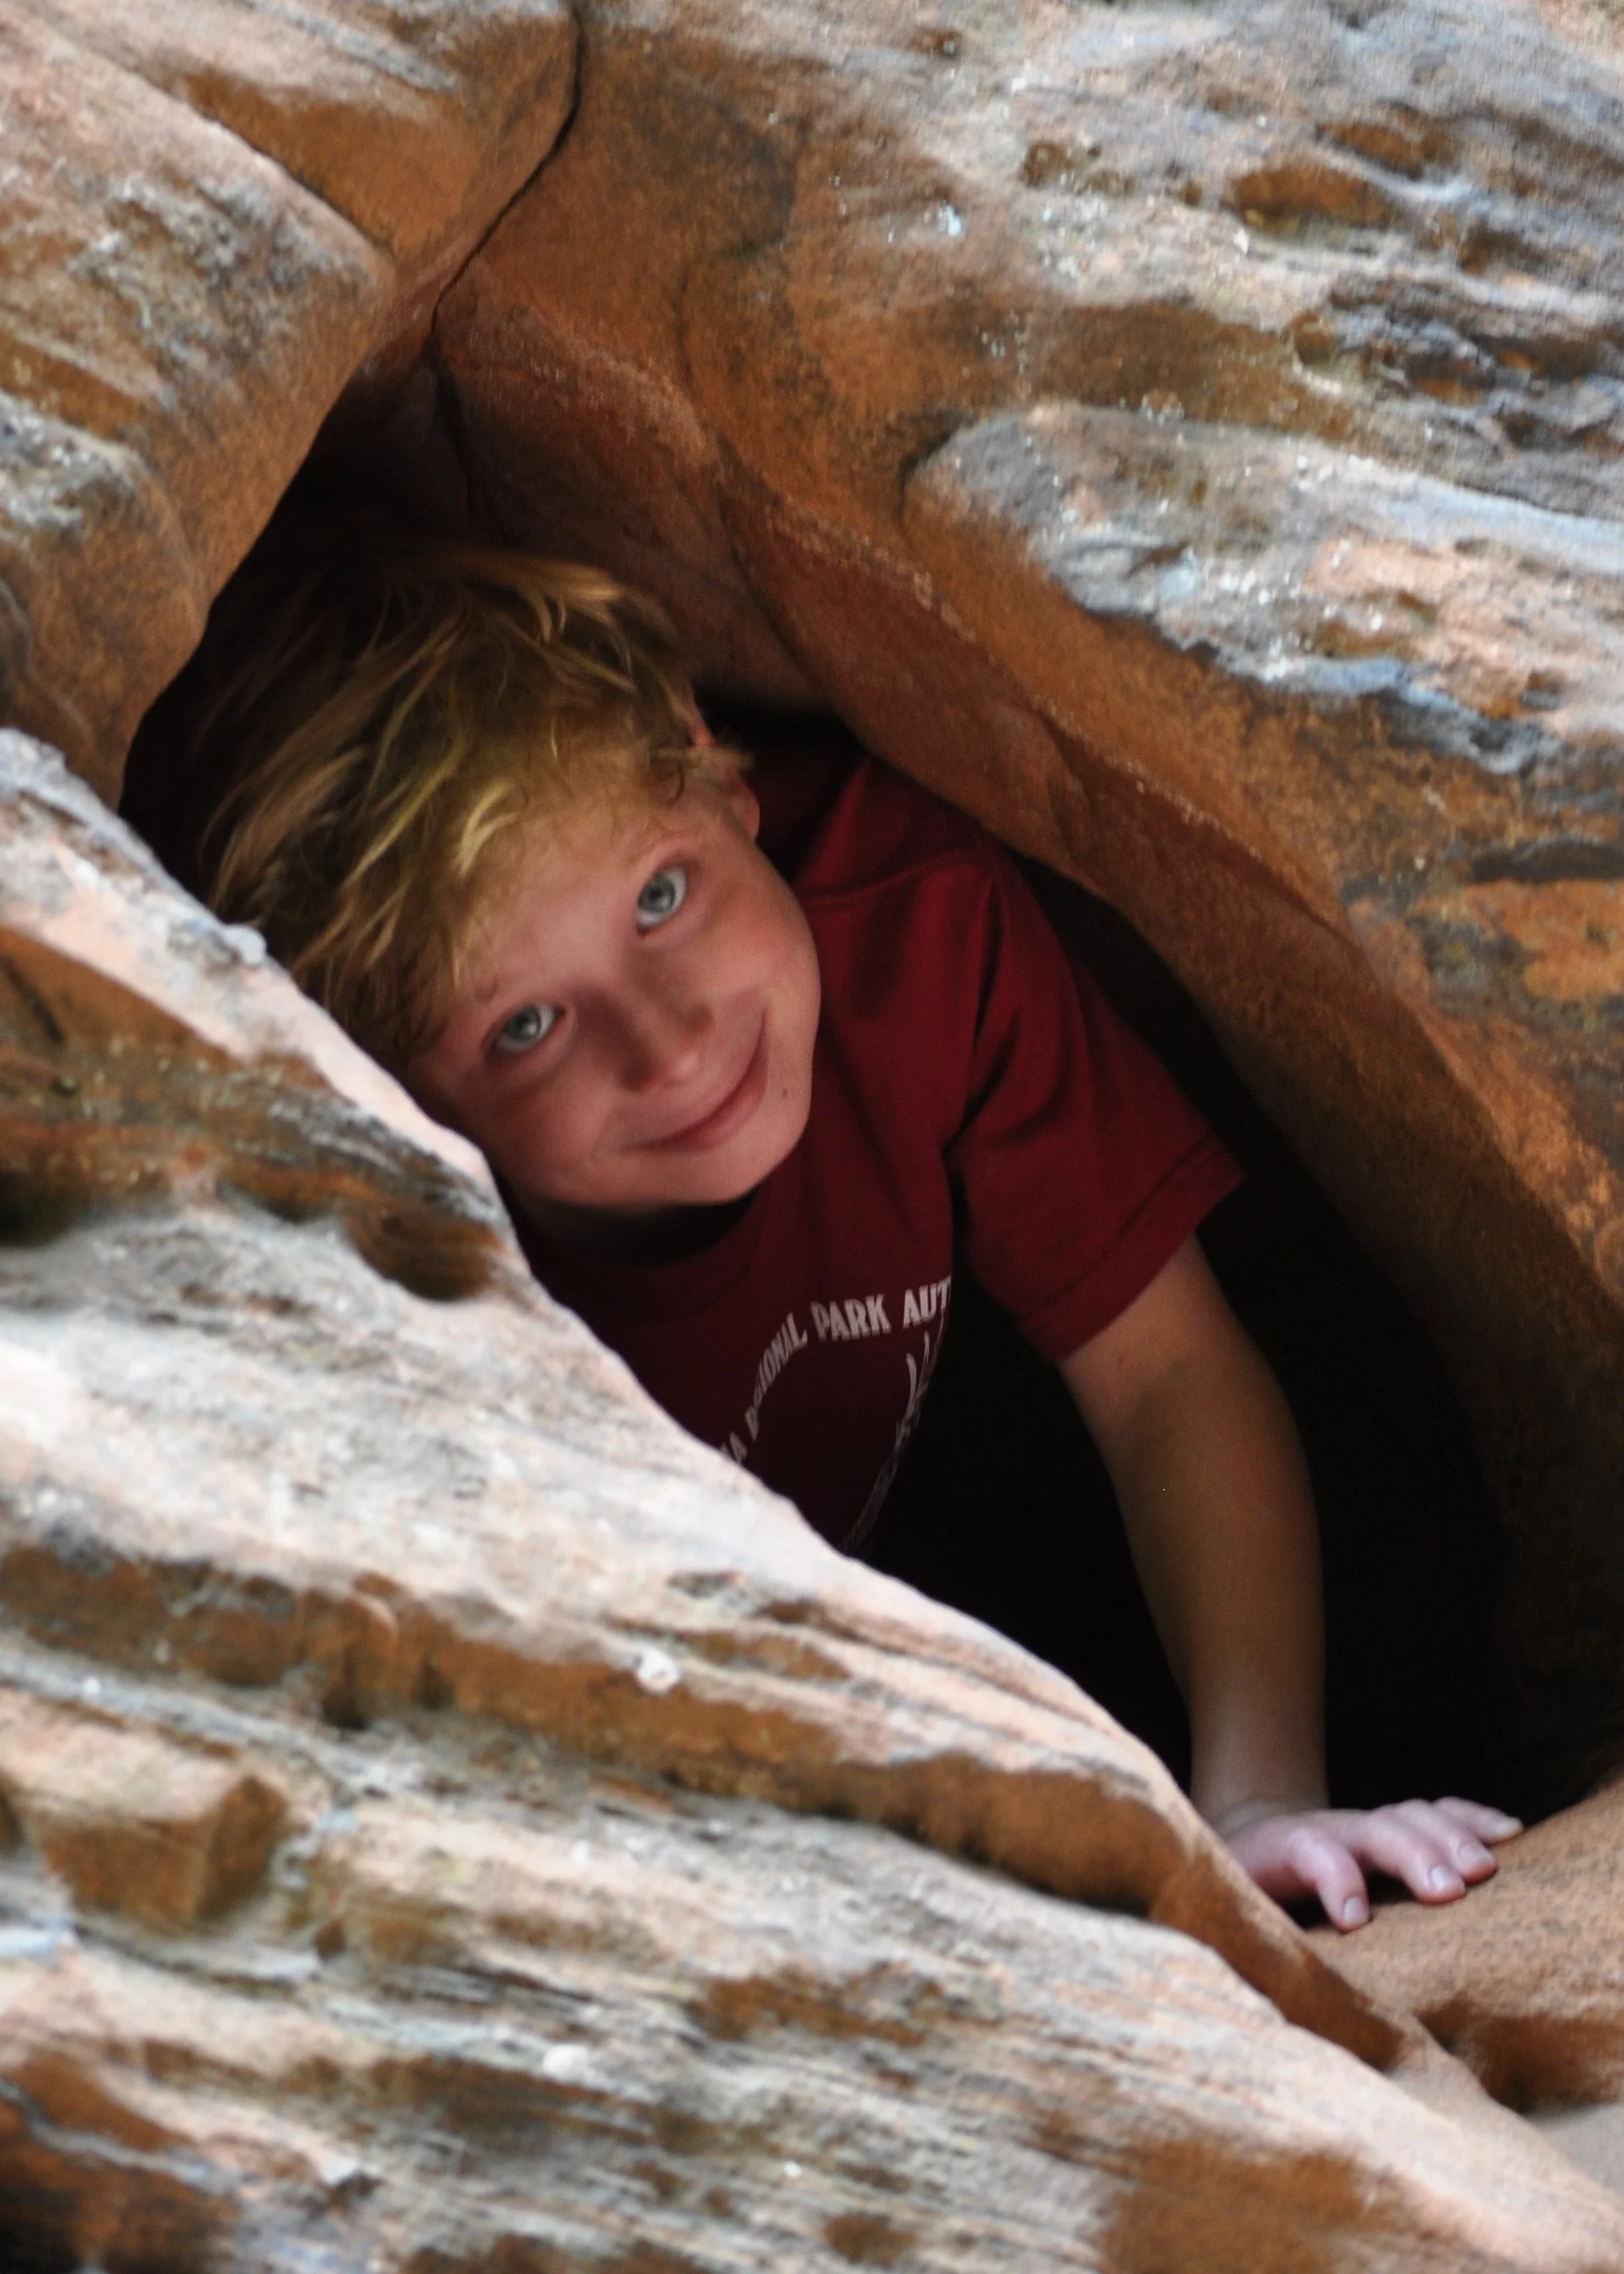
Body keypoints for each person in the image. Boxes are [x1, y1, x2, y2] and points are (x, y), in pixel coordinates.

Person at [168, 524, 1520, 1928]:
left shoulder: (912, 927)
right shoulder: (419, 1268)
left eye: (660, 895)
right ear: (389, 1088)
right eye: (524, 1025)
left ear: (720, 773)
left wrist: (1254, 1809)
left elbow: (1168, 1376)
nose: (674, 1045)